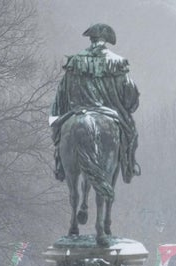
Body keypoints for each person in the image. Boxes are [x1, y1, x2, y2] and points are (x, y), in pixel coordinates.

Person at [50, 23, 140, 184]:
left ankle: (60, 165)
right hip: (109, 112)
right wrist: (128, 106)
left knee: (59, 134)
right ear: (106, 40)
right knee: (132, 133)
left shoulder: (75, 61)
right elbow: (130, 95)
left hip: (77, 111)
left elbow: (61, 92)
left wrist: (57, 116)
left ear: (91, 39)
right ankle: (129, 166)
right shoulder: (117, 62)